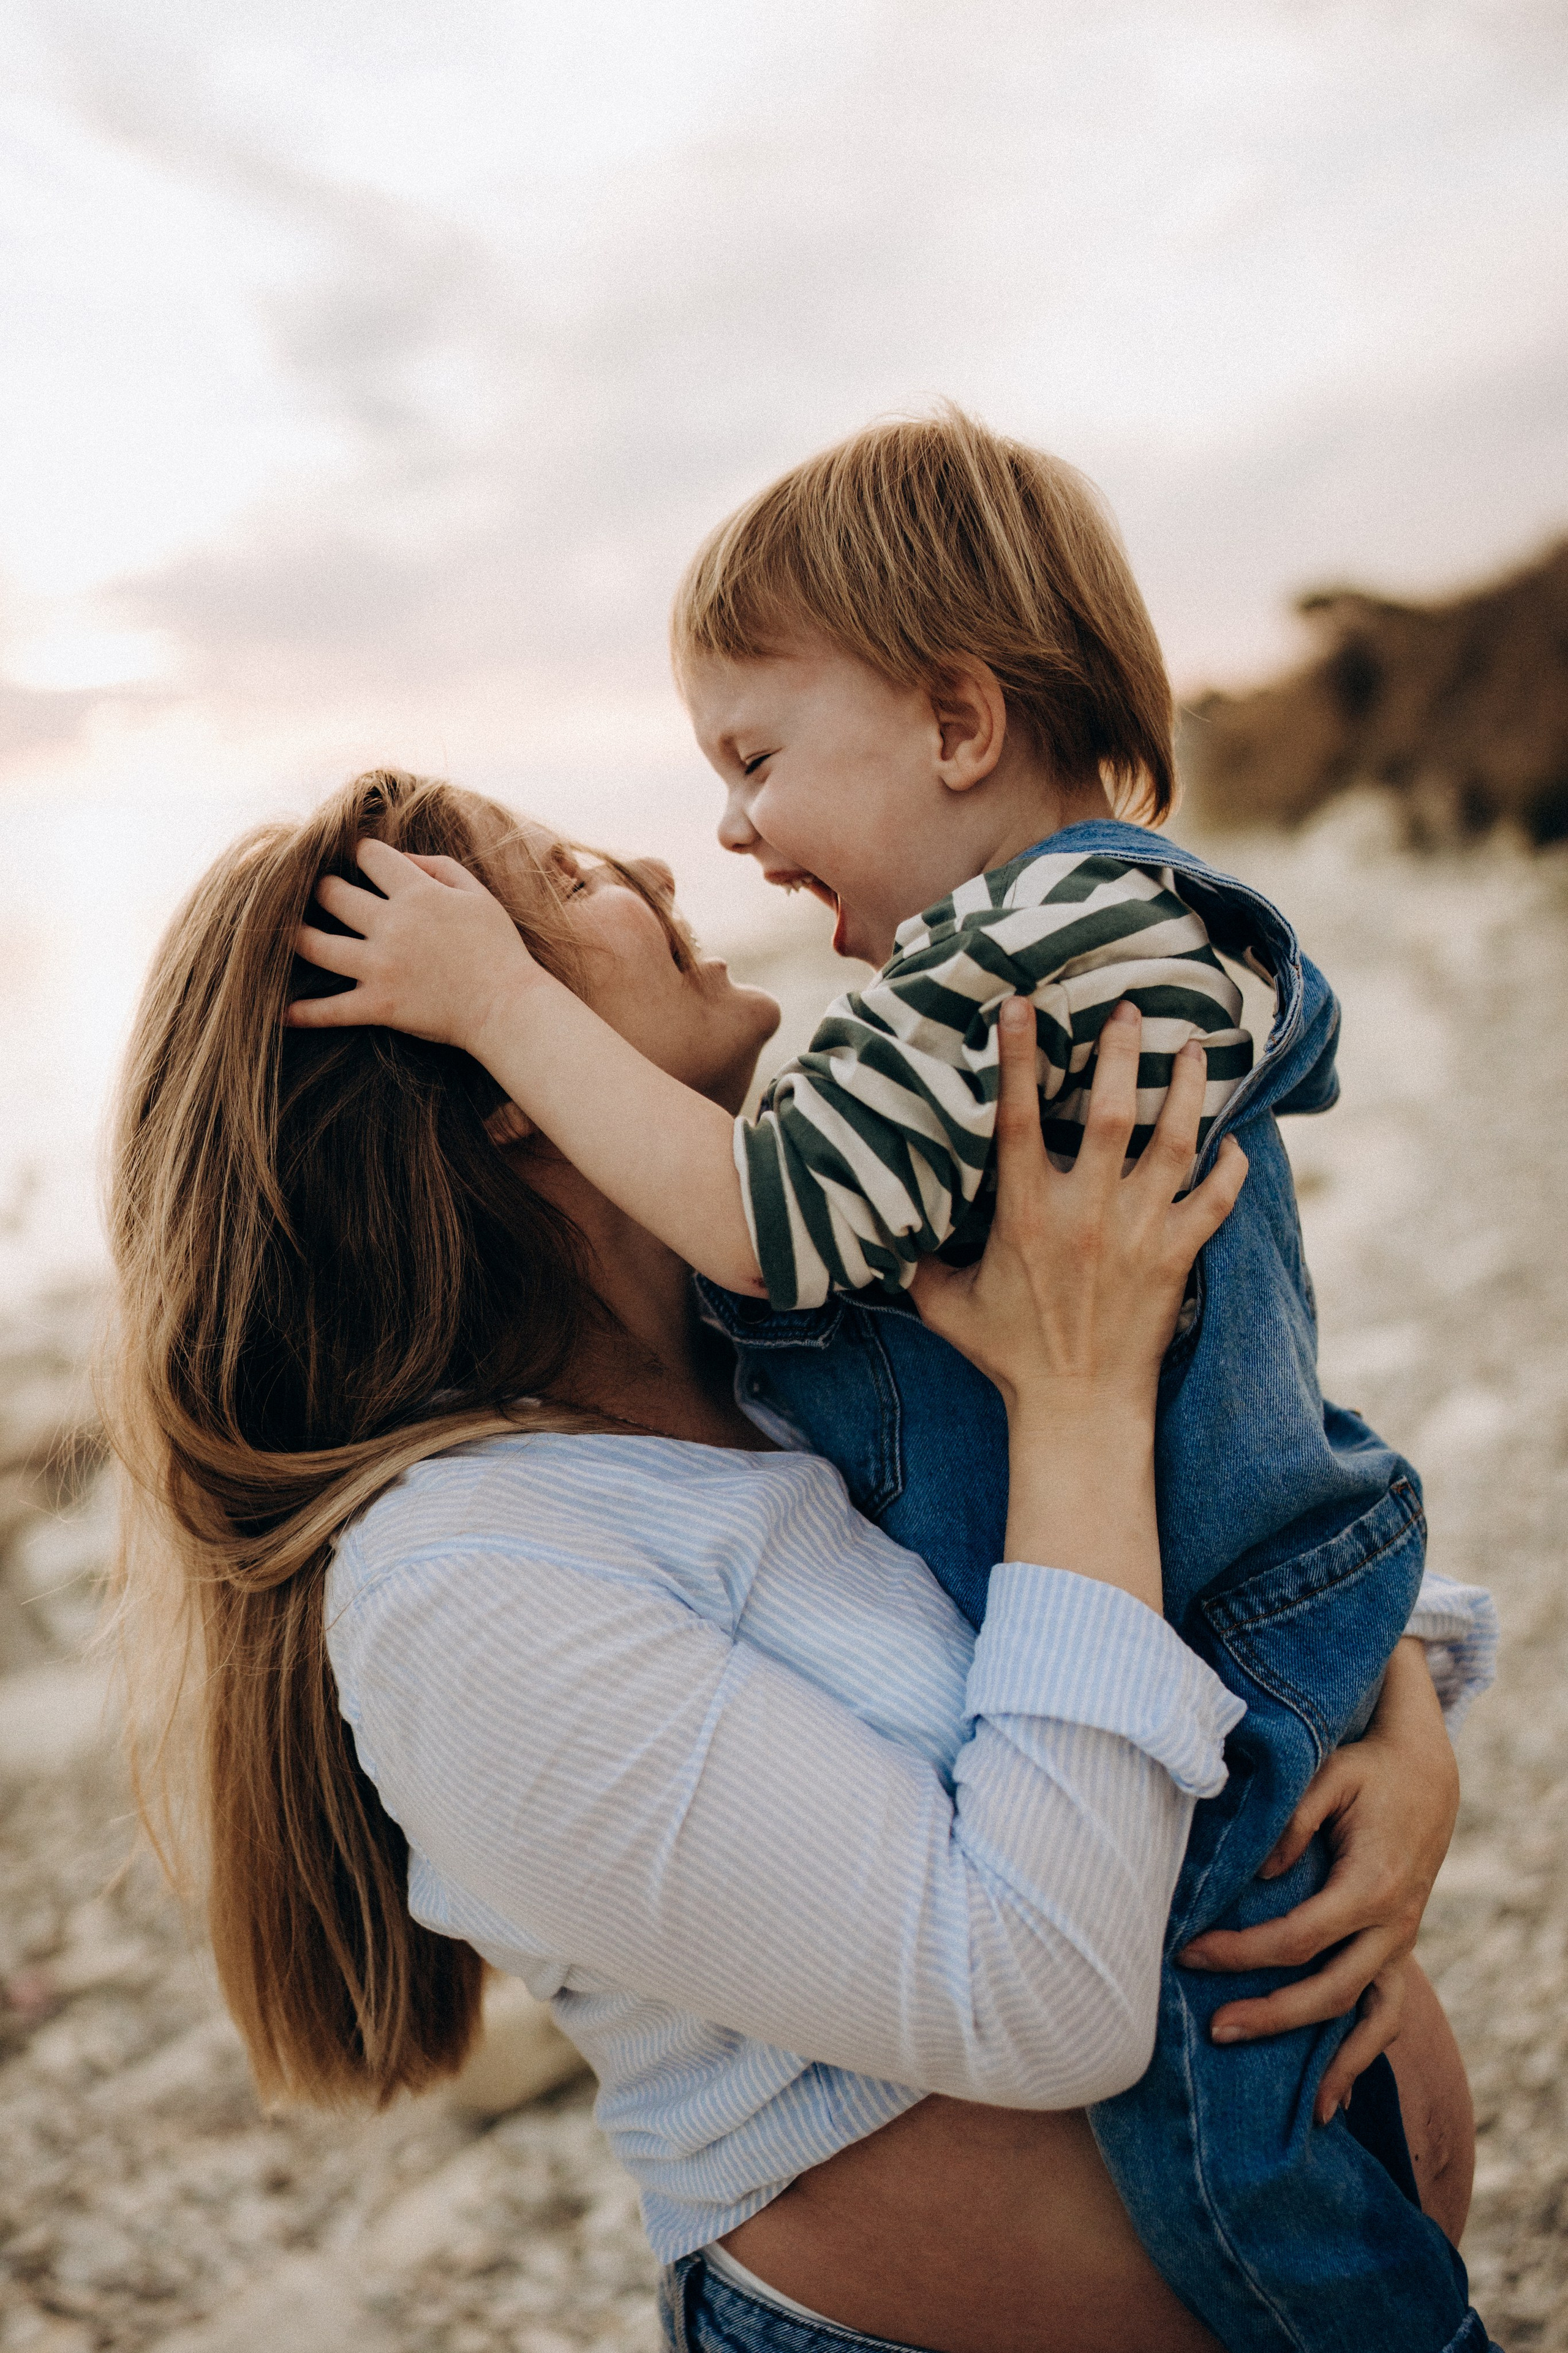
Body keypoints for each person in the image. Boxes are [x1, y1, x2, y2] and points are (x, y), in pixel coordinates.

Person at [289, 416, 1499, 2352]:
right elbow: (1041, 1952)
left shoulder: (1014, 1001)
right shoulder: (484, 1571)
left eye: (752, 762)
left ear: (956, 723)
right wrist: (1107, 1424)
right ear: (511, 1100)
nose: (701, 845)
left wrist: (1391, 1703)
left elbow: (1221, 1449)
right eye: (557, 886)